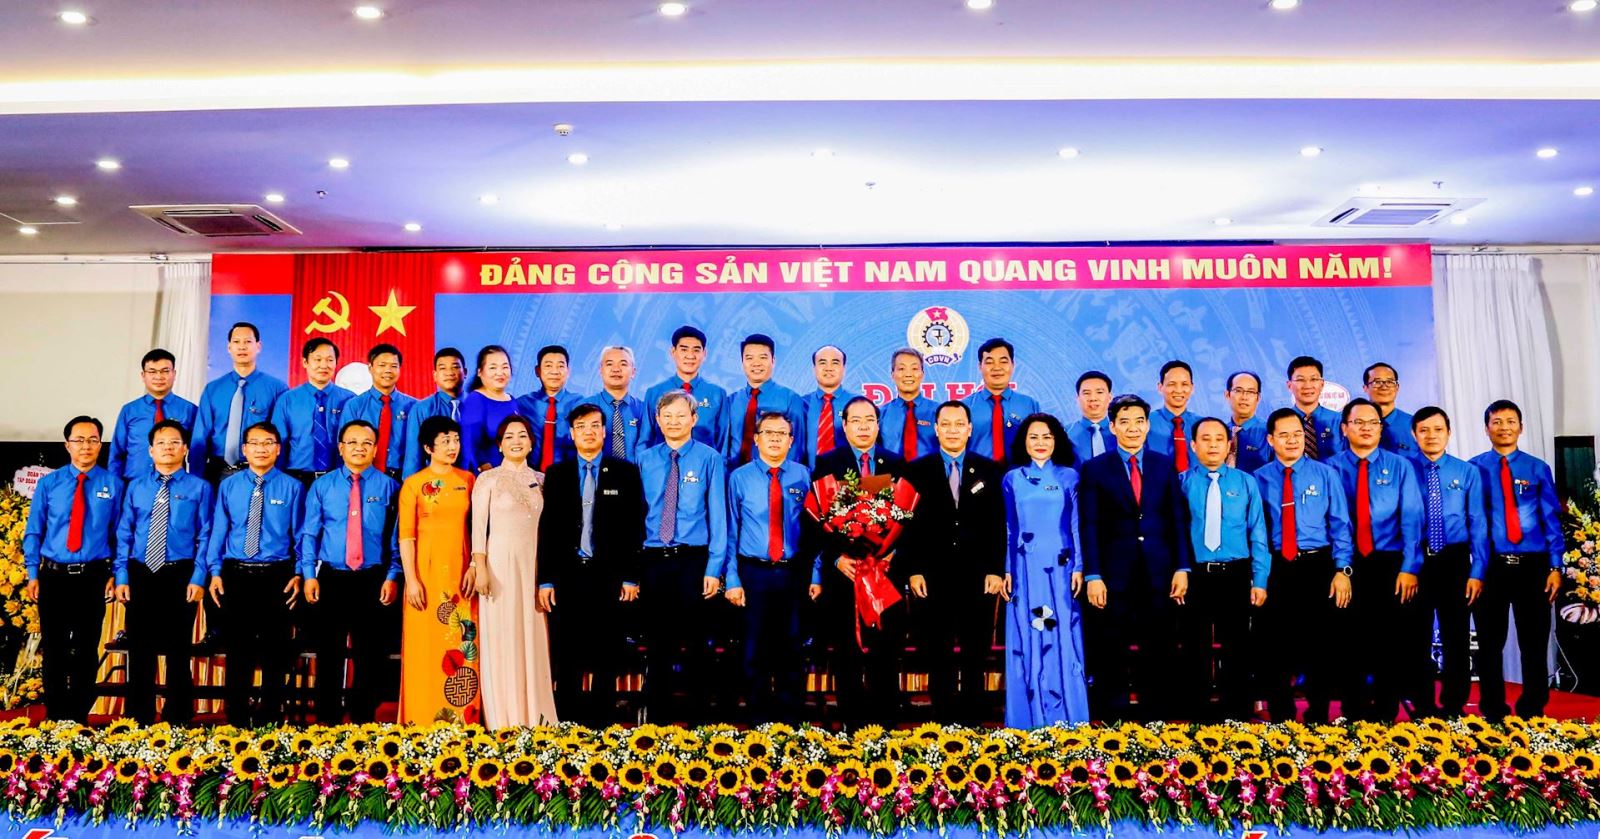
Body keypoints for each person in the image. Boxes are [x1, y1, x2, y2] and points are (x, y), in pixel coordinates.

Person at [1077, 395, 1190, 721]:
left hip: (1159, 572)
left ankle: (1156, 718)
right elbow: (1089, 524)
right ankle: (1113, 719)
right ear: (1112, 426)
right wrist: (1093, 574)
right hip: (1114, 575)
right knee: (1110, 648)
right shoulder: (1095, 469)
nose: (1133, 428)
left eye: (1139, 421)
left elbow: (1177, 519)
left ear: (1148, 425)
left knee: (1159, 647)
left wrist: (1182, 567)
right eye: (1124, 422)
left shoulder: (1164, 464)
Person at [537, 403, 646, 726]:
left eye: (595, 425)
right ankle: (568, 725)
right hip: (568, 576)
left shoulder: (625, 472)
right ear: (572, 434)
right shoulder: (557, 474)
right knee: (567, 653)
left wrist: (631, 575)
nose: (589, 432)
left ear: (604, 431)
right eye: (581, 426)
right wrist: (546, 580)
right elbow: (548, 530)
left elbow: (634, 527)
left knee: (606, 653)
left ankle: (602, 725)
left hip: (609, 576)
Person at [901, 400, 1007, 724]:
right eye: (945, 424)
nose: (952, 430)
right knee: (938, 651)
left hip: (978, 575)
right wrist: (913, 570)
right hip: (933, 576)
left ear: (970, 429)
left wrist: (995, 569)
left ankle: (973, 720)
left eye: (959, 424)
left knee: (976, 651)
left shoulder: (990, 470)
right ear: (935, 429)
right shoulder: (917, 470)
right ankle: (942, 720)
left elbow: (997, 524)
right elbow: (907, 526)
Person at [810, 396, 908, 726]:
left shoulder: (895, 463)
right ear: (845, 425)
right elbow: (816, 519)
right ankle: (852, 728)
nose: (863, 426)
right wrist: (836, 558)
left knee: (886, 652)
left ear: (878, 425)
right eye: (856, 420)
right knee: (847, 654)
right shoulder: (828, 463)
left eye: (870, 420)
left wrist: (893, 553)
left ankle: (886, 728)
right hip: (846, 575)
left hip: (884, 576)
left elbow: (909, 518)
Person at [1255, 407, 1353, 724]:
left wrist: (1342, 570)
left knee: (1320, 646)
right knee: (1274, 646)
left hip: (1317, 566)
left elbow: (1340, 525)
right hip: (1276, 568)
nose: (1292, 440)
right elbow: (1254, 530)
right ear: (1271, 439)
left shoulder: (1326, 475)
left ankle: (1318, 715)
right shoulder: (1258, 479)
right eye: (1284, 435)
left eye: (1297, 434)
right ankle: (1281, 717)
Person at [203, 421, 304, 727]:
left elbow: (301, 535)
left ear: (278, 449)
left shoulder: (292, 487)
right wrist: (215, 572)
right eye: (255, 444)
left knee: (276, 651)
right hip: (236, 575)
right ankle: (236, 719)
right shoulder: (229, 486)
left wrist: (299, 573)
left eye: (268, 443)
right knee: (238, 650)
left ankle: (270, 718)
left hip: (278, 576)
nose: (262, 449)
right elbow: (218, 532)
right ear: (244, 450)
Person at [300, 420, 401, 724]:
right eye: (352, 442)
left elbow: (395, 538)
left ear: (376, 449)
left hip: (373, 580)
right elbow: (310, 534)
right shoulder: (323, 486)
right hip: (332, 578)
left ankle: (362, 723)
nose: (360, 448)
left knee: (370, 655)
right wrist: (309, 574)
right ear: (341, 447)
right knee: (328, 653)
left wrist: (392, 576)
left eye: (367, 443)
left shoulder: (390, 487)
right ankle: (327, 723)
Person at [1469, 399, 1564, 721]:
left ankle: (1532, 709)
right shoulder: (1474, 468)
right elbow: (1472, 520)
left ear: (1521, 427)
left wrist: (1555, 566)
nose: (1504, 428)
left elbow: (1551, 519)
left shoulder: (1537, 468)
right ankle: (1493, 710)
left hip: (1533, 567)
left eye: (1510, 421)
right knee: (1489, 643)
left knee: (1533, 643)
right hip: (1490, 567)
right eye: (1496, 422)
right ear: (1486, 428)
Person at [723, 412, 822, 722]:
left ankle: (790, 721)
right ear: (757, 438)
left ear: (791, 441)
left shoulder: (804, 476)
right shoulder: (739, 478)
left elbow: (817, 531)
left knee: (792, 648)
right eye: (769, 432)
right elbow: (730, 530)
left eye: (782, 433)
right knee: (754, 649)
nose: (775, 438)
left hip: (794, 573)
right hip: (753, 572)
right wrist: (732, 578)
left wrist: (816, 573)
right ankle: (759, 719)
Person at [636, 390, 728, 724]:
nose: (674, 422)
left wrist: (714, 568)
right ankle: (657, 726)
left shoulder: (709, 458)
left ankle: (700, 723)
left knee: (698, 645)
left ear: (694, 419)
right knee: (657, 645)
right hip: (654, 561)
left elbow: (718, 516)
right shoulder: (645, 460)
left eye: (681, 415)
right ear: (658, 420)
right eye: (667, 416)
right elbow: (637, 515)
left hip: (694, 561)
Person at [23, 416, 123, 721]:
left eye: (93, 440)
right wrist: (32, 573)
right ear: (67, 445)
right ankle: (55, 717)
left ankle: (79, 717)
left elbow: (120, 534)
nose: (86, 446)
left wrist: (116, 574)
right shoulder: (49, 484)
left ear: (100, 445)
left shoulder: (113, 485)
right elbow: (34, 531)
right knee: (54, 649)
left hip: (93, 577)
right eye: (79, 440)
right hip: (53, 577)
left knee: (85, 648)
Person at [1330, 398, 1423, 721]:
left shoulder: (1400, 466)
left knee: (1390, 641)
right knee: (1347, 639)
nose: (1367, 428)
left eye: (1373, 423)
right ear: (1345, 429)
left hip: (1389, 564)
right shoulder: (1329, 468)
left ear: (1381, 429)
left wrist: (1410, 567)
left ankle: (1385, 712)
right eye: (1359, 422)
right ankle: (1353, 711)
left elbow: (1412, 520)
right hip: (1345, 564)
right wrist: (1339, 568)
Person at [113, 419, 212, 724]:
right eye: (161, 443)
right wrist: (122, 575)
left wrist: (199, 577)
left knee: (178, 649)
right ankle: (138, 718)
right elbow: (124, 534)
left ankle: (178, 718)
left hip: (180, 574)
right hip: (141, 573)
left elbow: (206, 535)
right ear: (151, 450)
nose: (168, 448)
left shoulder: (200, 488)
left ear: (185, 449)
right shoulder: (136, 487)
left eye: (174, 443)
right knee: (140, 649)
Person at [1001, 412, 1090, 727]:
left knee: (1062, 635)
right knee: (1029, 634)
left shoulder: (1070, 477)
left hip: (1062, 571)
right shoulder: (1012, 479)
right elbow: (1009, 528)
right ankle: (1028, 718)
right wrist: (1007, 569)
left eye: (1047, 437)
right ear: (1024, 442)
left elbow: (1077, 525)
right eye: (1034, 437)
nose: (1040, 443)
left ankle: (1068, 717)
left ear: (1057, 441)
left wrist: (1079, 566)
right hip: (1025, 570)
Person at [470, 415, 559, 727]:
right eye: (509, 437)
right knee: (502, 636)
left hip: (534, 566)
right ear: (499, 445)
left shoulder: (544, 480)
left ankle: (536, 715)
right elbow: (478, 528)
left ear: (532, 443)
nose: (516, 441)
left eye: (522, 435)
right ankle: (503, 719)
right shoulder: (488, 480)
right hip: (499, 566)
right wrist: (479, 566)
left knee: (533, 636)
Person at [1180, 417, 1269, 721]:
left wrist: (1260, 579)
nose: (1213, 445)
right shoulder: (1181, 483)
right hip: (1195, 574)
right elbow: (1175, 532)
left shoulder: (1245, 482)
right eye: (1205, 439)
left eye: (1219, 438)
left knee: (1238, 646)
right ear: (1194, 445)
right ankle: (1198, 714)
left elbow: (1258, 533)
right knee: (1195, 645)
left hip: (1235, 573)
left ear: (1229, 444)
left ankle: (1237, 714)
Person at [397, 415, 482, 725]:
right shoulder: (413, 485)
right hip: (425, 577)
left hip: (462, 577)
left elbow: (479, 529)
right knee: (425, 647)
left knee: (463, 644)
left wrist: (474, 565)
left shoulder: (469, 480)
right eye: (445, 441)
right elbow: (406, 537)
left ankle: (463, 720)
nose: (452, 446)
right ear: (427, 447)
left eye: (455, 440)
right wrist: (412, 580)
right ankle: (420, 718)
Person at [1408, 406, 1489, 717]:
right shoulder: (1404, 469)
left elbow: (1477, 522)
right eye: (1424, 430)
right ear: (1414, 434)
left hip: (1454, 560)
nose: (1431, 435)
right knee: (1417, 635)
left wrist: (1477, 570)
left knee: (1456, 634)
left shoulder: (1466, 472)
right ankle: (1423, 704)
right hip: (1416, 560)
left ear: (1449, 433)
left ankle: (1454, 705)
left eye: (1438, 429)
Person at [190, 322, 289, 483]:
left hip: (258, 472)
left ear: (258, 346)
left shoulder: (277, 389)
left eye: (248, 341)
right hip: (216, 472)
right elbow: (200, 436)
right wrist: (195, 479)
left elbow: (281, 437)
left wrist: (276, 477)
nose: (242, 347)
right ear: (229, 347)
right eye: (236, 342)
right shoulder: (212, 389)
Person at [270, 337, 355, 484]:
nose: (324, 365)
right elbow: (278, 442)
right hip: (296, 478)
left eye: (330, 360)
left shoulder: (350, 400)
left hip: (338, 478)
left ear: (336, 363)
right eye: (317, 359)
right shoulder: (287, 400)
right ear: (305, 362)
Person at [109, 349, 198, 481]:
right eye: (152, 372)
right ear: (143, 375)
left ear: (174, 374)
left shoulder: (189, 410)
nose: (159, 377)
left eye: (165, 371)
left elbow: (196, 454)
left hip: (175, 484)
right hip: (133, 484)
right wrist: (115, 486)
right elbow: (116, 454)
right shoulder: (129, 410)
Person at [723, 334, 803, 467]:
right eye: (749, 358)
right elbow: (724, 444)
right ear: (742, 362)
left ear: (773, 360)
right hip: (734, 473)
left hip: (774, 474)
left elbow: (796, 447)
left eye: (763, 357)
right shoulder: (731, 401)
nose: (756, 363)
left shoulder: (790, 399)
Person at [643, 326, 727, 448]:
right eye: (684, 350)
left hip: (704, 459)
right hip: (664, 459)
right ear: (673, 352)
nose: (690, 356)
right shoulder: (654, 392)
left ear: (704, 354)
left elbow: (723, 443)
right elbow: (645, 440)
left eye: (696, 350)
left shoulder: (717, 393)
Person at [343, 343, 416, 481]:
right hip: (363, 477)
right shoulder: (354, 405)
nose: (388, 370)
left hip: (403, 479)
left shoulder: (413, 406)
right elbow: (345, 446)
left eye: (393, 366)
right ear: (370, 368)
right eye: (382, 365)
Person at [963, 338, 1040, 462]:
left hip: (1020, 472)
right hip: (978, 472)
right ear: (980, 366)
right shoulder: (965, 407)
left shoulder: (1030, 405)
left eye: (1003, 362)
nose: (997, 367)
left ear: (1013, 365)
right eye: (989, 362)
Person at [517, 345, 587, 471]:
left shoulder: (580, 403)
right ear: (537, 371)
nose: (555, 372)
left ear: (568, 371)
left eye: (560, 366)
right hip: (528, 475)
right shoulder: (523, 404)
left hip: (569, 474)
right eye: (548, 366)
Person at [403, 347, 468, 475]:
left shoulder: (478, 406)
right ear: (435, 375)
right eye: (443, 368)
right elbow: (413, 457)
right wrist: (412, 484)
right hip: (435, 481)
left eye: (455, 367)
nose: (449, 373)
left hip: (476, 480)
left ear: (465, 372)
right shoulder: (422, 409)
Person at [581, 346, 649, 463]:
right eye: (609, 364)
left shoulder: (644, 410)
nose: (616, 369)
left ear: (633, 372)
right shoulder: (583, 407)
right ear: (600, 370)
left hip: (634, 473)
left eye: (623, 364)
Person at [460, 345, 522, 473]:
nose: (500, 372)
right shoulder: (475, 400)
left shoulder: (511, 400)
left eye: (505, 367)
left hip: (514, 473)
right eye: (493, 367)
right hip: (487, 475)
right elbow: (468, 445)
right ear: (480, 372)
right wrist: (480, 469)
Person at [800, 345, 858, 470]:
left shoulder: (858, 403)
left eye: (835, 363)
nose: (828, 368)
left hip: (849, 478)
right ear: (814, 369)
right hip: (808, 477)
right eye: (822, 363)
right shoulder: (801, 404)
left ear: (844, 368)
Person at [878, 348, 938, 462]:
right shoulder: (880, 414)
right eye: (901, 369)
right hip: (891, 472)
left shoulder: (939, 412)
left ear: (922, 374)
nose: (908, 374)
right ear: (892, 374)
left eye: (914, 368)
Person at [1285, 356, 1344, 462]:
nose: (1308, 386)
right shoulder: (1281, 423)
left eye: (1313, 379)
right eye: (1300, 380)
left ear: (1322, 384)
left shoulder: (1339, 421)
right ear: (1289, 386)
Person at [1146, 360, 1199, 471]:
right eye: (1171, 384)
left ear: (1192, 388)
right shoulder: (1146, 423)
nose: (1178, 390)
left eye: (1184, 384)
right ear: (1160, 387)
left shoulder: (1202, 426)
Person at [1364, 362, 1417, 456]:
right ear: (1365, 388)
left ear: (1397, 387)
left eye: (1389, 382)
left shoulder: (1414, 425)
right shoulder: (1352, 424)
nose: (1384, 387)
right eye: (1377, 382)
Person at [1225, 371, 1271, 473]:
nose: (1244, 397)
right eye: (1238, 391)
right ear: (1227, 395)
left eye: (1250, 392)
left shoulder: (1269, 433)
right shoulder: (1220, 432)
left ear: (1258, 398)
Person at [1065, 371, 1114, 464]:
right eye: (1087, 393)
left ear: (1110, 397)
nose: (1093, 398)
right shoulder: (1065, 433)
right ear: (1078, 398)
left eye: (1099, 392)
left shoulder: (1121, 431)